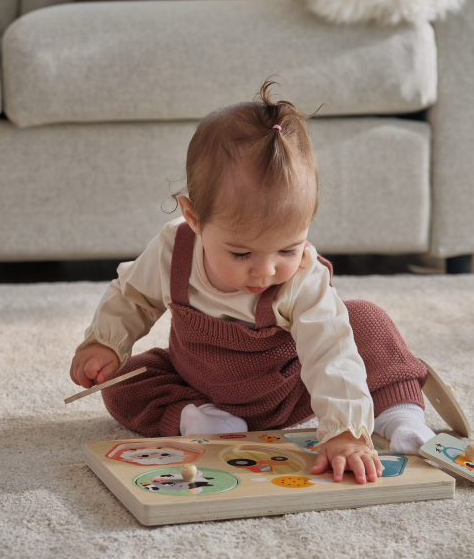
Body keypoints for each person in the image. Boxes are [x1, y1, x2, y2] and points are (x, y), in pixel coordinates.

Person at [69, 80, 435, 485]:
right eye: (241, 254)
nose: (265, 271)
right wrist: (105, 342)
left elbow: (330, 355)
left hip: (290, 391)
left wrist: (344, 431)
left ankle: (400, 414)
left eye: (287, 249)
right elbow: (133, 296)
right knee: (122, 383)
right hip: (197, 385)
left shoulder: (302, 278)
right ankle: (200, 419)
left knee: (364, 319)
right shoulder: (175, 250)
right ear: (194, 218)